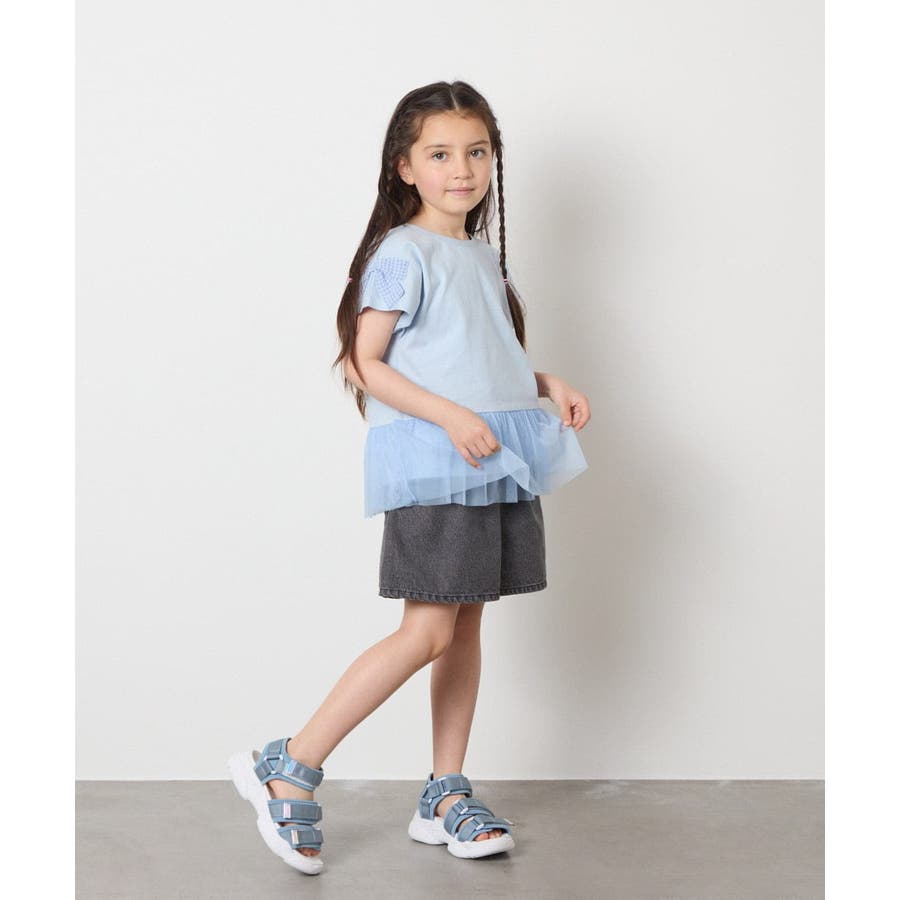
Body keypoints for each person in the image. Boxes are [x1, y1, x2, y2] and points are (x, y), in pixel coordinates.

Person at [228, 79, 591, 877]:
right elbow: (367, 363)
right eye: (440, 154)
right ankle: (290, 762)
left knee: (464, 627)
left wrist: (543, 383)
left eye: (477, 152)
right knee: (427, 631)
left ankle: (444, 790)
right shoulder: (403, 253)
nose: (462, 169)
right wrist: (450, 419)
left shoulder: (480, 257)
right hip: (440, 466)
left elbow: (474, 357)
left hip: (490, 461)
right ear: (404, 167)